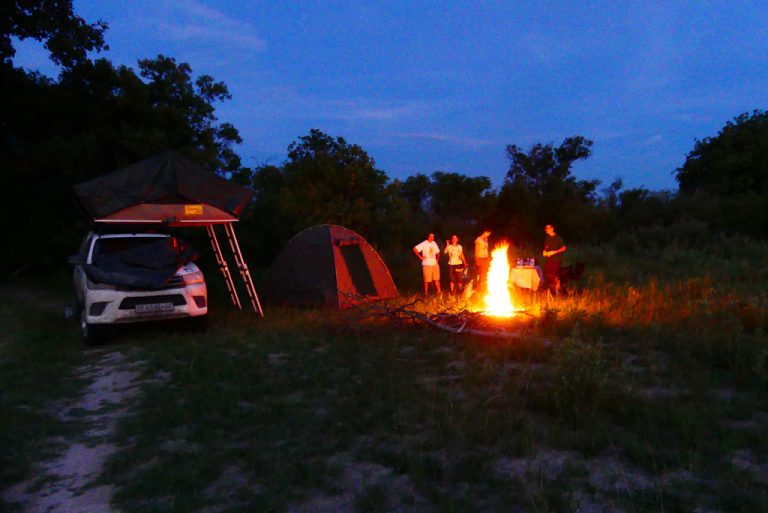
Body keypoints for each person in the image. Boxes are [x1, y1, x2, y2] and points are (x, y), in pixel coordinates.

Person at [542, 224, 566, 293]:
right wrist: (545, 251)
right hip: (549, 259)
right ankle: (550, 289)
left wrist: (554, 252)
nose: (546, 230)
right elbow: (546, 246)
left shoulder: (558, 237)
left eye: (548, 228)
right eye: (545, 228)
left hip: (556, 259)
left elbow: (564, 248)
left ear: (552, 229)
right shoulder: (547, 238)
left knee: (554, 274)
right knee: (547, 273)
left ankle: (557, 289)